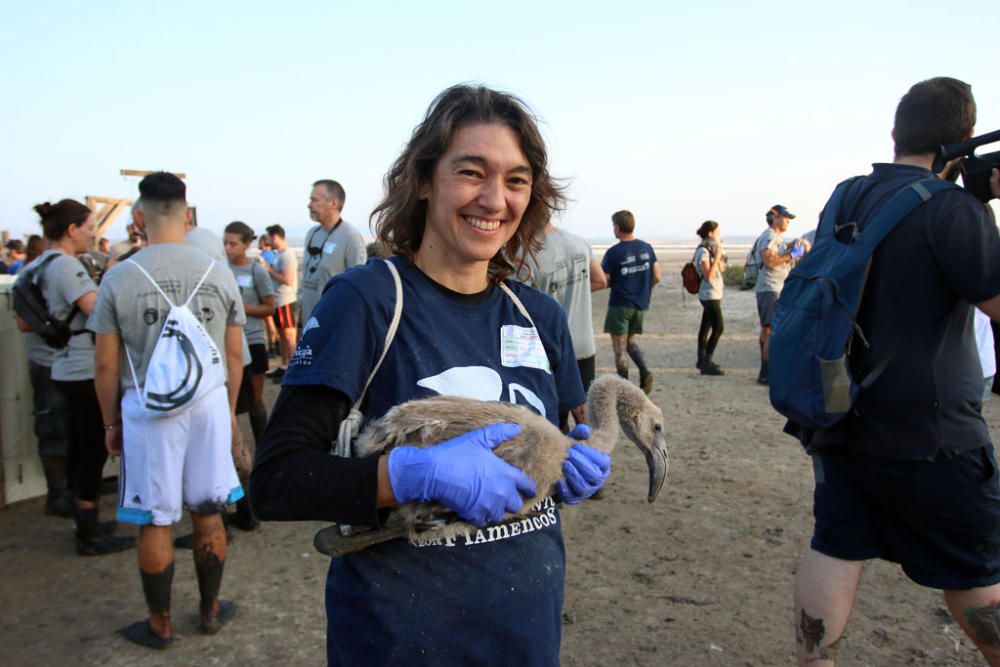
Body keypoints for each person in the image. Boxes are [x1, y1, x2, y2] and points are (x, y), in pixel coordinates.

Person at [251, 84, 611, 665]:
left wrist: (572, 467)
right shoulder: (367, 301)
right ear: (423, 181)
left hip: (525, 635)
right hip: (400, 640)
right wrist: (411, 475)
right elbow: (276, 481)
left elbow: (554, 448)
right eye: (472, 173)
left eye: (516, 180)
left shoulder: (537, 315)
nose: (495, 200)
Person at [791, 77, 1000, 666]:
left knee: (836, 547)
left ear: (895, 133)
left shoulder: (847, 196)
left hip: (840, 415)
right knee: (978, 570)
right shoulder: (954, 210)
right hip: (934, 436)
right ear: (964, 137)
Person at [91, 172, 245, 648]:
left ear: (138, 218)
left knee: (156, 517)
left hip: (149, 412)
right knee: (208, 508)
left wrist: (110, 423)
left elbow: (105, 363)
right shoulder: (217, 271)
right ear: (187, 213)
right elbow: (235, 355)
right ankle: (210, 610)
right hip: (209, 406)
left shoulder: (119, 276)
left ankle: (159, 624)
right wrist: (230, 418)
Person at [17, 200, 136, 555]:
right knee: (93, 448)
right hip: (84, 366)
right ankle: (88, 531)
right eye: (88, 228)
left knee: (78, 446)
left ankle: (83, 518)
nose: (91, 235)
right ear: (71, 230)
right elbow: (98, 309)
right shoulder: (67, 266)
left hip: (62, 364)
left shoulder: (38, 264)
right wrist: (114, 274)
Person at [521, 222, 607, 430]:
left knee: (554, 423)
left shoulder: (527, 252)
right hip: (584, 345)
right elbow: (600, 281)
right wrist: (575, 292)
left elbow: (521, 307)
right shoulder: (579, 243)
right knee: (586, 423)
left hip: (551, 350)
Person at [223, 220, 275, 530]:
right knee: (233, 409)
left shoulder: (256, 271)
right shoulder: (220, 269)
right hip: (229, 343)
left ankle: (266, 450)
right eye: (225, 243)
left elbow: (269, 307)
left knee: (254, 401)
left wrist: (240, 309)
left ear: (246, 244)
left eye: (233, 243)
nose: (228, 248)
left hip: (251, 341)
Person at [600, 210, 661, 394]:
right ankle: (644, 371)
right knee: (630, 341)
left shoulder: (613, 253)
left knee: (619, 349)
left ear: (617, 228)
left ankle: (625, 388)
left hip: (620, 304)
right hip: (641, 305)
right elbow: (657, 276)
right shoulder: (647, 248)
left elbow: (604, 279)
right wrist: (642, 289)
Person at [296, 179, 366, 326]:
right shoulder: (312, 234)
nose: (309, 205)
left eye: (314, 200)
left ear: (333, 203)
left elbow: (359, 287)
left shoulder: (350, 237)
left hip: (333, 322)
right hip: (309, 321)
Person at [753, 204, 808, 385]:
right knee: (771, 331)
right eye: (785, 218)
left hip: (769, 288)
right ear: (775, 218)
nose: (787, 221)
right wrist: (792, 256)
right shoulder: (769, 236)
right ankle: (767, 373)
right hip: (771, 288)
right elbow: (769, 261)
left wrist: (794, 246)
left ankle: (764, 371)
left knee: (766, 329)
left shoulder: (775, 237)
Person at [261, 224, 298, 380]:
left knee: (289, 334)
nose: (267, 241)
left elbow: (288, 280)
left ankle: (293, 368)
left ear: (275, 236)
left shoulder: (287, 255)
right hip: (279, 300)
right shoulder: (279, 254)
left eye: (268, 238)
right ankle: (284, 365)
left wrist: (269, 270)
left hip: (285, 299)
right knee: (282, 334)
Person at [694, 220, 725, 376]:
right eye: (717, 232)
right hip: (709, 294)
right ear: (710, 233)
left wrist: (719, 256)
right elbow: (708, 275)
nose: (719, 236)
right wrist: (717, 255)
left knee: (705, 326)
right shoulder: (703, 251)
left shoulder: (711, 250)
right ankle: (707, 362)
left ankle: (701, 360)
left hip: (715, 293)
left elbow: (722, 269)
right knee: (719, 328)